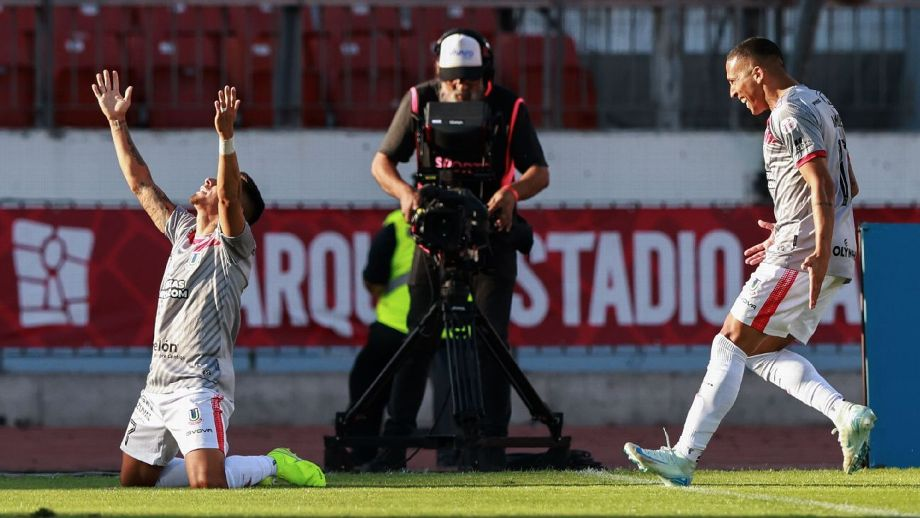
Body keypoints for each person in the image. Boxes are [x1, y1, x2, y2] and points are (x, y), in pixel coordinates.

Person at [623, 37, 876, 486]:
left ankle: (683, 456)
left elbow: (823, 184)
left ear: (757, 72)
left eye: (733, 79)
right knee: (760, 354)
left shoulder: (788, 113)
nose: (732, 91)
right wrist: (795, 228)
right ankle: (845, 413)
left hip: (803, 254)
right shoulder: (821, 103)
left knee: (729, 342)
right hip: (824, 250)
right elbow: (849, 185)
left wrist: (812, 246)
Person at [93, 70, 324, 488]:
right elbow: (141, 183)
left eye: (219, 182)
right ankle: (224, 465)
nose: (209, 180)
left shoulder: (233, 246)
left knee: (208, 487)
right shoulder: (183, 230)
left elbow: (231, 198)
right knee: (135, 485)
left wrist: (226, 139)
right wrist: (116, 122)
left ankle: (273, 464)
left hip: (200, 384)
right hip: (158, 382)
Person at [366, 28, 550, 471]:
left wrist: (512, 193)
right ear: (439, 73)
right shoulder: (418, 101)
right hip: (433, 237)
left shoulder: (509, 107)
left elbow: (539, 172)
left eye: (469, 79)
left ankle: (490, 448)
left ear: (485, 75)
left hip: (490, 235)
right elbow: (381, 162)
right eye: (452, 79)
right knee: (418, 340)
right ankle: (394, 447)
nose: (460, 87)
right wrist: (405, 194)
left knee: (493, 344)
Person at [346, 209, 414, 466]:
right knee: (452, 392)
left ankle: (364, 451)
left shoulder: (399, 222)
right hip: (455, 326)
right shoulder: (471, 217)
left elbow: (374, 276)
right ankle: (462, 454)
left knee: (367, 384)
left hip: (397, 323)